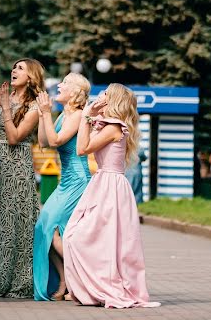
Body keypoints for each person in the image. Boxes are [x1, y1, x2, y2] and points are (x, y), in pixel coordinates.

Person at [63, 84, 159, 308]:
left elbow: (81, 149)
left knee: (84, 237)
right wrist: (91, 118)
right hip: (104, 183)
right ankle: (96, 288)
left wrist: (86, 116)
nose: (100, 95)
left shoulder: (114, 127)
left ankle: (103, 288)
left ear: (113, 99)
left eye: (105, 93)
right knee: (90, 238)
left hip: (110, 185)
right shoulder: (108, 125)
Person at [0, 59, 44, 298]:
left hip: (18, 165)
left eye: (20, 68)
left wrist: (5, 108)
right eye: (14, 67)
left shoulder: (34, 106)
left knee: (16, 223)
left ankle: (17, 280)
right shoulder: (5, 100)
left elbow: (14, 138)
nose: (14, 70)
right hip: (0, 164)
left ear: (31, 77)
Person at [31, 73, 92, 301]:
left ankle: (82, 280)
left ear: (75, 92)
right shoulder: (61, 116)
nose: (59, 85)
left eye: (65, 83)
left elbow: (57, 141)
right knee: (46, 229)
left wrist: (46, 113)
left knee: (52, 228)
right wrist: (41, 115)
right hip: (66, 181)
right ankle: (67, 280)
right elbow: (45, 142)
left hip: (78, 180)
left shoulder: (77, 115)